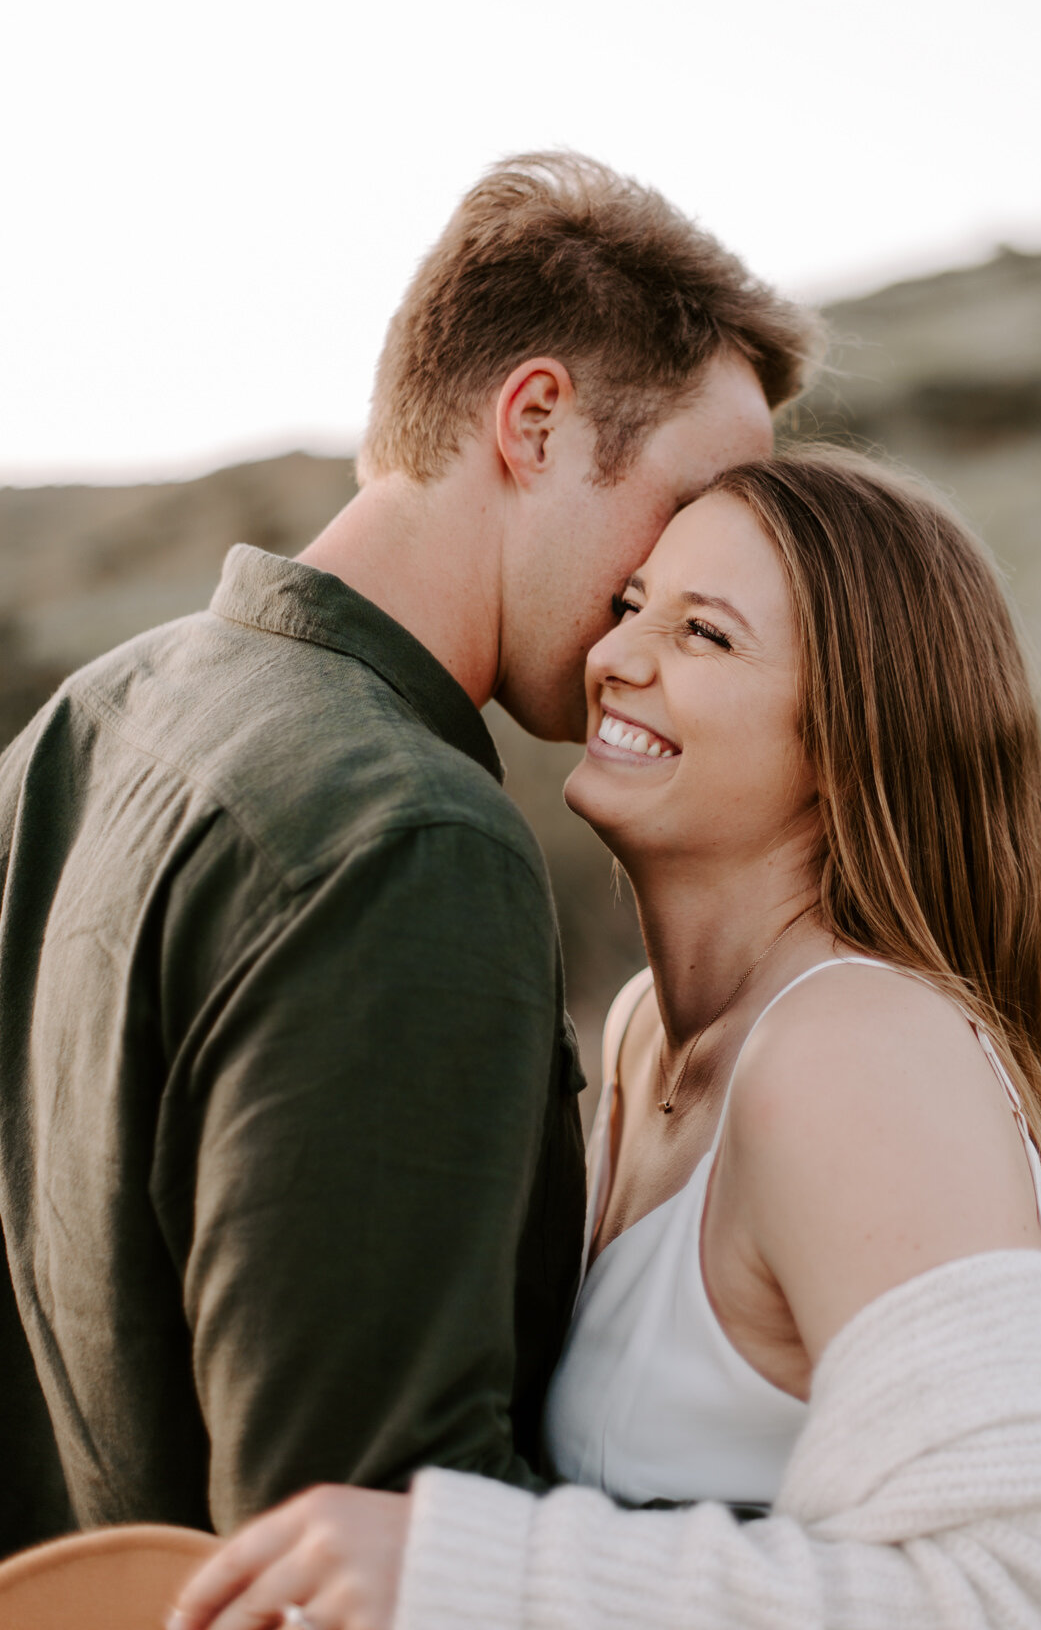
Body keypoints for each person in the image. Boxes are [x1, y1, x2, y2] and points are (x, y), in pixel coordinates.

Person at [172, 450, 1041, 1630]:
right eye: (629, 603)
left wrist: (476, 1571)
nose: (615, 658)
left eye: (705, 633)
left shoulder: (854, 1050)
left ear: (857, 736)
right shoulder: (652, 1026)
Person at [0, 152, 815, 1554]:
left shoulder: (92, 715)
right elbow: (375, 1529)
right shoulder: (410, 837)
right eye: (690, 501)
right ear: (537, 419)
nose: (686, 571)